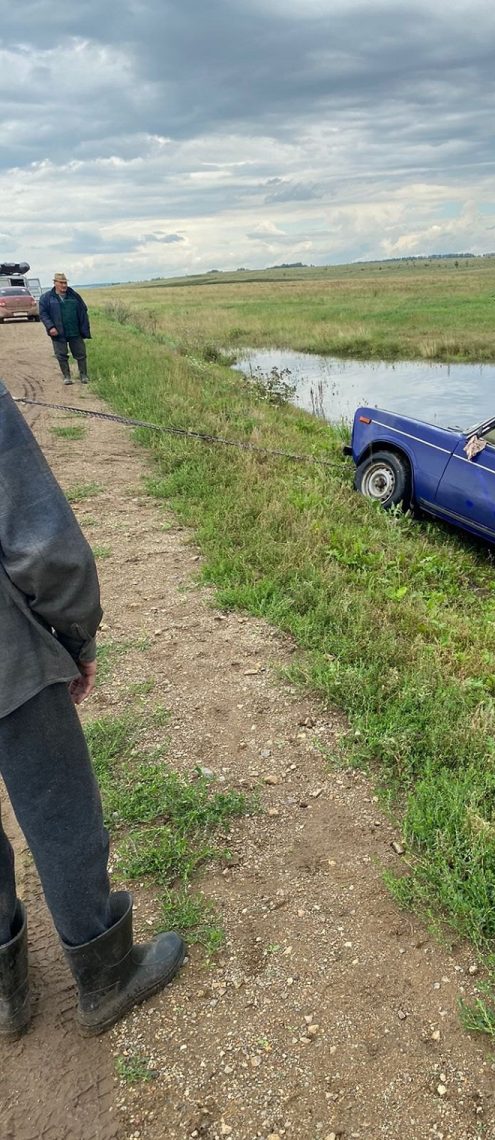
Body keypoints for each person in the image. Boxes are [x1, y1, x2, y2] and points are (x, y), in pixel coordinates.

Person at [0, 380, 185, 1037]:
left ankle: (4, 994)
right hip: (7, 661)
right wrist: (76, 638)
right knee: (61, 812)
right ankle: (105, 977)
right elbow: (42, 543)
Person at [38, 273, 91, 386]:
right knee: (61, 355)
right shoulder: (46, 298)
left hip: (75, 331)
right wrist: (50, 327)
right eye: (61, 283)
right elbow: (43, 314)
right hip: (58, 332)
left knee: (81, 354)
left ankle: (84, 375)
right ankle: (67, 376)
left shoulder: (74, 296)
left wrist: (84, 327)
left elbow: (83, 310)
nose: (64, 285)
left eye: (65, 282)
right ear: (55, 283)